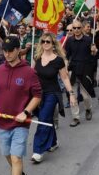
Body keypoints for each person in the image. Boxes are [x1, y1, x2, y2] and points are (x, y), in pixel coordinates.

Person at [0, 36, 42, 175]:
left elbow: (37, 96)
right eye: (5, 50)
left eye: (11, 50)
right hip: (2, 122)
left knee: (16, 157)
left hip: (20, 123)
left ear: (18, 50)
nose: (8, 53)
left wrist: (26, 112)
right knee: (7, 154)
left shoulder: (29, 72)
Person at [31, 33, 76, 164]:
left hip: (52, 93)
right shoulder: (36, 57)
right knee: (45, 118)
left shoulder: (58, 60)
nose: (45, 44)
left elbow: (65, 78)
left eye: (48, 42)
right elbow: (31, 75)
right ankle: (54, 142)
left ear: (53, 44)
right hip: (38, 94)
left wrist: (71, 94)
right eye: (43, 41)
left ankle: (38, 150)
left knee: (43, 119)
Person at [64, 21, 94, 126]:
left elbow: (93, 54)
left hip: (86, 68)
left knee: (85, 96)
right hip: (73, 69)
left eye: (78, 28)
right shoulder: (70, 41)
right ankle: (76, 117)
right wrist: (66, 68)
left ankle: (88, 109)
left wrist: (94, 51)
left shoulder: (88, 40)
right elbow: (67, 56)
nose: (76, 30)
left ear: (82, 28)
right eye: (74, 28)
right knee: (73, 95)